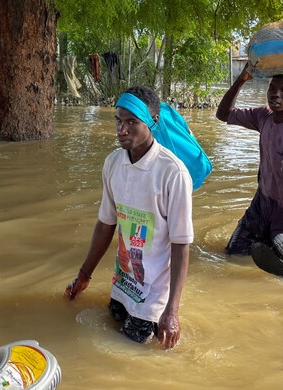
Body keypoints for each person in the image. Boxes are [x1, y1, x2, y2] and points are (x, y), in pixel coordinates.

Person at [65, 86, 194, 349]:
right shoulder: (113, 164)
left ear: (153, 122)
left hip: (154, 292)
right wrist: (84, 275)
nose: (122, 130)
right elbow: (106, 223)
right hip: (123, 282)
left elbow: (181, 244)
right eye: (118, 121)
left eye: (132, 122)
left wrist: (172, 311)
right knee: (108, 326)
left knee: (127, 349)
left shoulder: (173, 173)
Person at [216, 63, 283, 277]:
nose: (276, 94)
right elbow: (223, 114)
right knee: (232, 255)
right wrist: (241, 79)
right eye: (272, 88)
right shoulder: (263, 116)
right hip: (262, 205)